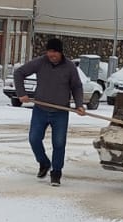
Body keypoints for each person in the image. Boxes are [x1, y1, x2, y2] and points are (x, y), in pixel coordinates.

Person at [13, 37, 86, 184]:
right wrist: (21, 93)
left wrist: (79, 104)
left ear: (61, 53)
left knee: (59, 143)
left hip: (60, 112)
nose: (51, 55)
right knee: (34, 139)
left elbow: (77, 86)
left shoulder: (70, 67)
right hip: (40, 109)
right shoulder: (40, 62)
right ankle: (44, 163)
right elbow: (19, 73)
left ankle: (56, 172)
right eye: (49, 52)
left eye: (54, 52)